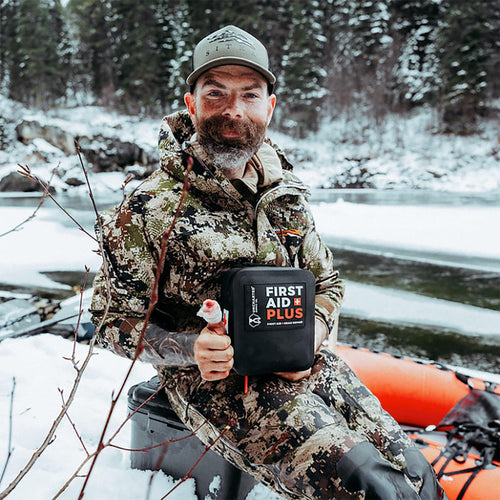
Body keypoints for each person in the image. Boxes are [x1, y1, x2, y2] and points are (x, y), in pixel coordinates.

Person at [91, 25, 446, 500]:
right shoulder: (147, 209)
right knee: (370, 489)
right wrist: (189, 347)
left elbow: (329, 284)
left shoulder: (287, 196)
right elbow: (109, 323)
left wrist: (311, 336)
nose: (233, 110)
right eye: (215, 94)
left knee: (420, 479)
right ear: (192, 103)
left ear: (269, 106)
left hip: (310, 368)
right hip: (220, 389)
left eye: (249, 95)